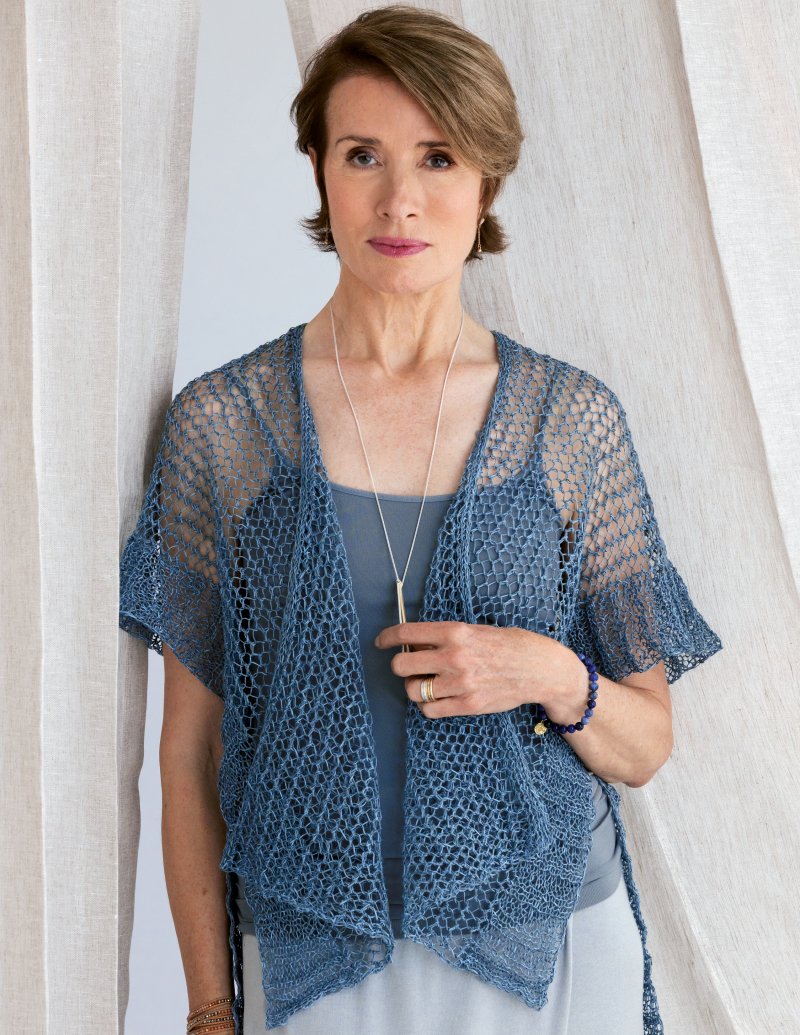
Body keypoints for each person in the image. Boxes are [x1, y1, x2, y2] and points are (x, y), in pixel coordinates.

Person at [118, 7, 723, 1034]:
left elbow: (644, 742)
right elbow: (187, 751)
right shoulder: (226, 426)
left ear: (486, 179)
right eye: (363, 154)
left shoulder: (568, 424)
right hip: (311, 952)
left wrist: (547, 672)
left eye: (438, 158)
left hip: (546, 946)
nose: (399, 198)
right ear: (319, 169)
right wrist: (211, 1007)